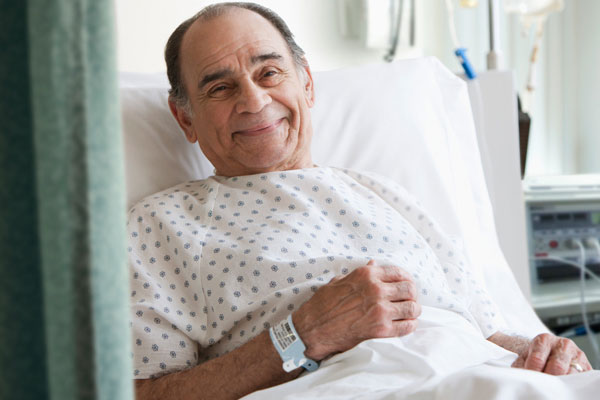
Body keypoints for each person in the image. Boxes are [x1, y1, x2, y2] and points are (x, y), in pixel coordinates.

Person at [128, 3, 592, 399]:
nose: (254, 100)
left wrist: (544, 351)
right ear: (184, 117)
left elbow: (486, 331)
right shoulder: (162, 225)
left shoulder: (385, 193)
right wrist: (300, 336)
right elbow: (137, 392)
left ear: (306, 83)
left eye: (269, 72)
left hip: (488, 379)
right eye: (220, 87)